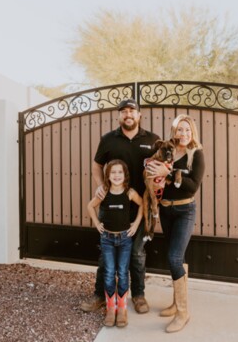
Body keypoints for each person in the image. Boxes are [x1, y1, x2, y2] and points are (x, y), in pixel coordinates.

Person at [80, 98, 160, 314]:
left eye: (132, 111)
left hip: (140, 205)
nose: (128, 115)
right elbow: (97, 164)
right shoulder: (108, 139)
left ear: (139, 115)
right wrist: (101, 187)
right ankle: (99, 295)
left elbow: (163, 167)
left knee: (136, 253)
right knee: (106, 254)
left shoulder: (152, 140)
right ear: (118, 116)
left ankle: (139, 295)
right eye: (123, 111)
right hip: (112, 205)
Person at [155, 114, 205, 333]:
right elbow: (157, 179)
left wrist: (170, 173)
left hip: (185, 210)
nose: (183, 134)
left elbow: (192, 186)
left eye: (187, 130)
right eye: (179, 130)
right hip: (166, 210)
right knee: (179, 257)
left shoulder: (197, 154)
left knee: (173, 258)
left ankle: (183, 313)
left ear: (192, 132)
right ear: (173, 132)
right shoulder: (168, 151)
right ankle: (176, 304)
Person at [87, 159, 143, 328]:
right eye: (113, 172)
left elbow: (143, 205)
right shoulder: (103, 192)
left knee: (123, 273)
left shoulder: (129, 192)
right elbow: (90, 206)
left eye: (120, 172)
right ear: (107, 176)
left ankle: (123, 309)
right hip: (107, 239)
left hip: (125, 239)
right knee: (110, 272)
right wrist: (97, 224)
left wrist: (136, 223)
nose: (116, 175)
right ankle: (111, 308)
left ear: (125, 175)